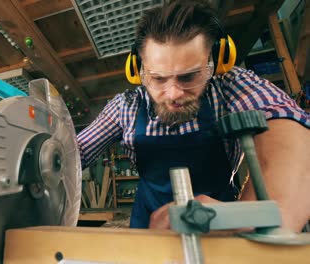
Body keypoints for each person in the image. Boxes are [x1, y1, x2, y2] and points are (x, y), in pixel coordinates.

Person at [77, 0, 309, 231]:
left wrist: (239, 220)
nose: (174, 93)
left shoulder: (231, 86)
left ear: (216, 61)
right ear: (139, 71)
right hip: (148, 228)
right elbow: (73, 154)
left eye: (189, 77)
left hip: (221, 225)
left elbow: (292, 141)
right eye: (158, 79)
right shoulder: (125, 107)